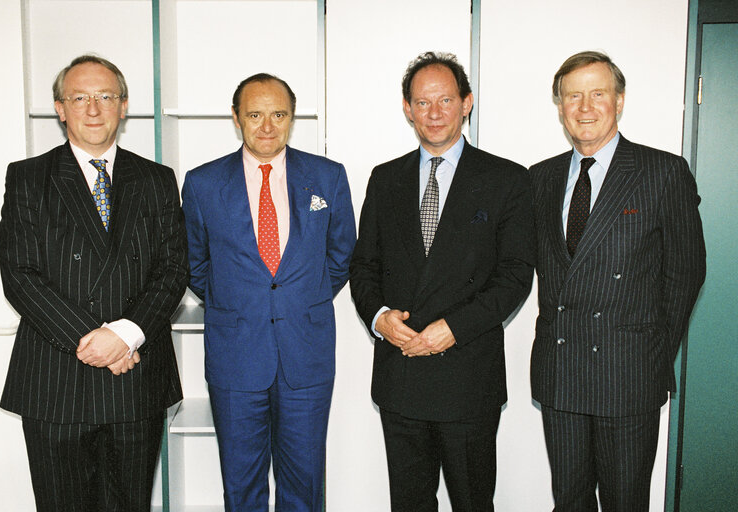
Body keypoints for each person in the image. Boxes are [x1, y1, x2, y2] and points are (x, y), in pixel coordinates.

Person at [0, 54, 188, 511]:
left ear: (124, 106)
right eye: (79, 97)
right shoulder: (28, 178)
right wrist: (93, 341)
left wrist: (123, 334)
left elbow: (174, 269)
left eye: (106, 96)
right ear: (60, 108)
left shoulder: (157, 179)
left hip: (136, 375)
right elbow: (20, 275)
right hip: (56, 380)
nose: (94, 108)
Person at [349, 51, 535, 512]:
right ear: (408, 109)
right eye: (422, 102)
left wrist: (453, 328)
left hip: (468, 379)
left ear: (466, 103)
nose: (434, 113)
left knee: (473, 503)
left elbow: (515, 276)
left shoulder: (506, 179)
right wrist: (378, 318)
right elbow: (363, 267)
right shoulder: (385, 178)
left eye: (445, 100)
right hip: (401, 376)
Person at [529, 51, 706, 511]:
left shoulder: (662, 172)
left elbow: (686, 273)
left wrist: (649, 352)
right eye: (573, 96)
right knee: (569, 501)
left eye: (598, 94)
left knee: (625, 502)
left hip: (628, 376)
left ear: (620, 101)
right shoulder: (540, 178)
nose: (585, 107)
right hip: (561, 371)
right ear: (560, 106)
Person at [182, 73, 355, 512]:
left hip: (307, 354)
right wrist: (239, 302)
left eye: (278, 115)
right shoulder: (202, 184)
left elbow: (340, 258)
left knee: (305, 484)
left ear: (292, 118)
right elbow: (195, 265)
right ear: (236, 118)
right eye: (255, 114)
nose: (267, 126)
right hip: (235, 354)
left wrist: (300, 299)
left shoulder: (328, 177)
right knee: (242, 486)